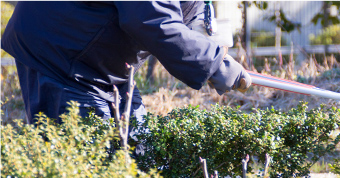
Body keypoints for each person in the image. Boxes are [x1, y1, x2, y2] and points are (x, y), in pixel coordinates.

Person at [1, 1, 251, 125]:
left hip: (96, 56)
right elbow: (152, 22)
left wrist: (202, 34)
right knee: (86, 159)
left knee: (136, 143)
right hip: (59, 53)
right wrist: (214, 64)